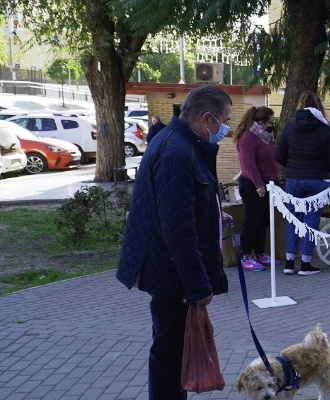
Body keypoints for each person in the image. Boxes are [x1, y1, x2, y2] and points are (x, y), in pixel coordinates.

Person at [116, 85, 233, 400]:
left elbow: (185, 211)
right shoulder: (176, 151)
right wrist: (198, 286)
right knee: (170, 354)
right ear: (206, 119)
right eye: (224, 121)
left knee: (173, 352)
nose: (227, 129)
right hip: (170, 274)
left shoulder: (181, 144)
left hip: (168, 270)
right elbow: (177, 229)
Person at [275, 91, 330, 276]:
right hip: (317, 179)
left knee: (293, 220)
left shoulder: (288, 127)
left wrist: (294, 166)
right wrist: (321, 168)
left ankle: (289, 262)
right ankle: (305, 263)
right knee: (312, 221)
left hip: (294, 179)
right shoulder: (325, 129)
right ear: (319, 106)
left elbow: (278, 155)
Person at [234, 106, 279, 271]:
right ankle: (245, 255)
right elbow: (248, 164)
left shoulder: (265, 137)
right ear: (260, 122)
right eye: (269, 123)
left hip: (269, 183)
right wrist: (259, 185)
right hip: (253, 185)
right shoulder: (248, 137)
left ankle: (260, 253)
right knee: (251, 220)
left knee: (263, 220)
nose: (271, 126)